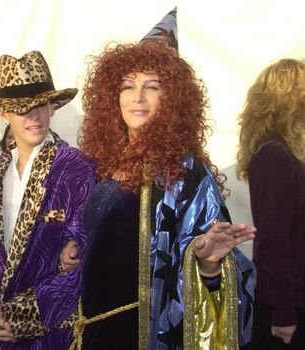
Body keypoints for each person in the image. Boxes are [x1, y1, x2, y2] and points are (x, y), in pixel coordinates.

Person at [75, 40, 257, 349]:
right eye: (127, 86)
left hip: (140, 333)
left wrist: (208, 264)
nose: (138, 97)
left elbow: (211, 262)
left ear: (171, 98)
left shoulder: (184, 172)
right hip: (93, 328)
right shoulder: (106, 163)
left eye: (152, 87)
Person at [0, 50, 95, 349]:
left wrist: (23, 316)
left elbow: (82, 259)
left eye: (41, 105)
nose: (34, 117)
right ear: (3, 113)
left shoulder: (75, 167)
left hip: (51, 331)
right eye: (22, 109)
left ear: (53, 107)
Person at [237, 58, 305, 349]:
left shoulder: (285, 155)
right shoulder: (275, 158)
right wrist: (283, 312)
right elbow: (274, 241)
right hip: (290, 310)